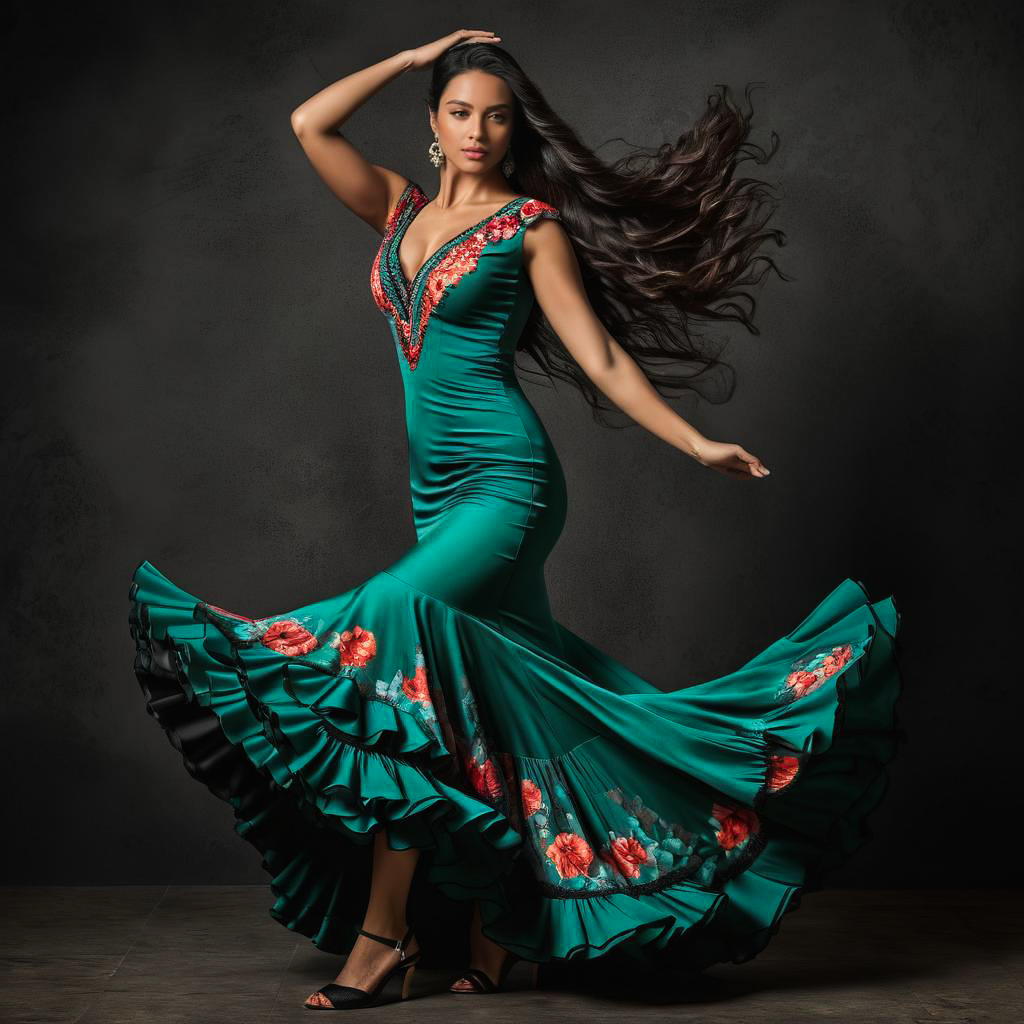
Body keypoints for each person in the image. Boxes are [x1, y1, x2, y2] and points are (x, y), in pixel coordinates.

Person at [128, 28, 904, 1011]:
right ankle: (503, 932)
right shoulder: (394, 207)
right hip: (435, 491)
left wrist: (694, 442)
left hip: (507, 485)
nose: (479, 131)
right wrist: (420, 55)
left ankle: (382, 939)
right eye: (460, 112)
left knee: (390, 644)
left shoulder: (529, 227)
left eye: (496, 116)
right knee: (496, 706)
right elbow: (307, 121)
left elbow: (603, 360)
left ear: (513, 129)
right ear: (431, 124)